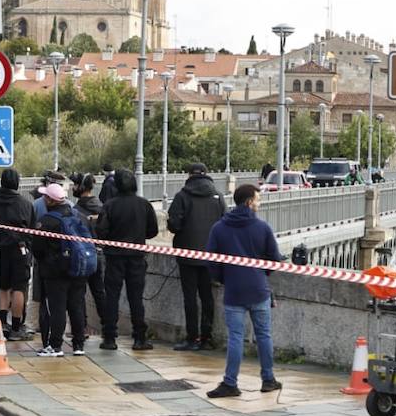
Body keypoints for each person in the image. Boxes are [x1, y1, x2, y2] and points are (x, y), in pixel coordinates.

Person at [205, 183, 283, 398]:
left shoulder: (219, 228)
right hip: (258, 289)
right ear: (249, 202)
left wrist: (223, 279)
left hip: (234, 290)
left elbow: (211, 262)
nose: (259, 203)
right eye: (257, 199)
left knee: (235, 338)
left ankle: (230, 382)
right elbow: (274, 259)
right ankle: (268, 379)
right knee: (264, 335)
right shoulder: (262, 227)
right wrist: (262, 274)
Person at [95, 169, 158, 351]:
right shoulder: (144, 205)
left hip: (114, 257)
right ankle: (139, 337)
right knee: (136, 298)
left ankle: (109, 338)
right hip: (137, 257)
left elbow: (101, 231)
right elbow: (152, 231)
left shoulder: (110, 205)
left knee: (112, 297)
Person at [167, 163, 227, 351]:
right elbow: (225, 222)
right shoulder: (218, 197)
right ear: (206, 174)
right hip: (211, 256)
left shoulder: (182, 196)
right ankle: (206, 338)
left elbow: (174, 225)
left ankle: (192, 338)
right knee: (207, 296)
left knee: (190, 297)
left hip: (187, 255)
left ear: (189, 175)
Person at [29, 183, 91, 357]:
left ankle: (55, 346)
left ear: (50, 200)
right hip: (78, 270)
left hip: (55, 273)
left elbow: (37, 249)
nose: (43, 199)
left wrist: (46, 263)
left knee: (56, 309)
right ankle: (78, 345)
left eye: (45, 197)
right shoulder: (79, 216)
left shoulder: (46, 221)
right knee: (76, 307)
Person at [0, 167, 35, 341]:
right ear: (17, 183)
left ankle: (2, 324)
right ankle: (16, 328)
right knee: (19, 288)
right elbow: (32, 232)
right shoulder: (26, 204)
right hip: (19, 250)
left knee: (2, 287)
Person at [70, 172, 108, 337]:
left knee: (79, 293)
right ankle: (107, 327)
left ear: (81, 187)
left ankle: (81, 327)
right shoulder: (102, 207)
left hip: (81, 256)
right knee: (99, 292)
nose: (73, 188)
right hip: (98, 254)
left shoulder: (75, 210)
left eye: (75, 185)